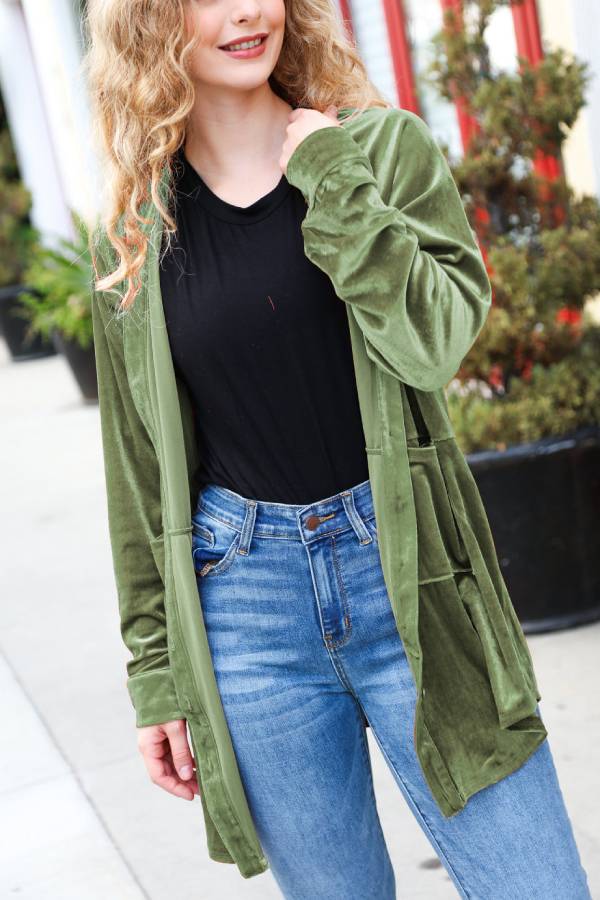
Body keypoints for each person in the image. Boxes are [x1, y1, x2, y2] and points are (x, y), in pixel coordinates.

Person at [84, 1, 592, 897]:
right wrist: (156, 675)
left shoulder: (381, 150)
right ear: (151, 24)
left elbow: (434, 343)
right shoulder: (135, 229)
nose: (246, 12)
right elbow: (136, 472)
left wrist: (332, 179)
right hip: (247, 607)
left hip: (412, 575)